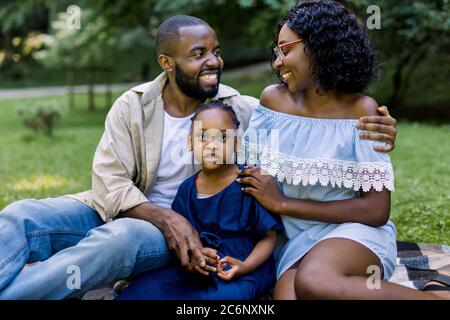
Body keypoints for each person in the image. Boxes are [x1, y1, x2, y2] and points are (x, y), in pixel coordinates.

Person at [0, 14, 397, 300]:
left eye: (216, 51)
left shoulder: (238, 108)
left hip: (176, 229)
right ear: (167, 64)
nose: (214, 62)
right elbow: (110, 185)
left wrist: (379, 127)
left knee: (116, 241)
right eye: (198, 54)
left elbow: (313, 122)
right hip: (127, 210)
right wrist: (165, 217)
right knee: (21, 215)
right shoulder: (134, 106)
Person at [236, 0, 443, 299]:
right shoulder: (272, 102)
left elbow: (375, 210)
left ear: (319, 47)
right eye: (276, 51)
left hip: (354, 232)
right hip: (295, 242)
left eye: (286, 49)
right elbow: (248, 177)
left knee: (315, 281)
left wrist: (282, 204)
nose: (277, 62)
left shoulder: (362, 110)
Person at [116, 101, 283, 300]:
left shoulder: (249, 183)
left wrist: (245, 267)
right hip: (200, 265)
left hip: (243, 267)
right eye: (202, 136)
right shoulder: (187, 190)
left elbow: (268, 237)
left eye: (222, 137)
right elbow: (184, 237)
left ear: (237, 144)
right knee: (146, 289)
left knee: (223, 298)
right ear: (190, 142)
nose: (211, 145)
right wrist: (199, 253)